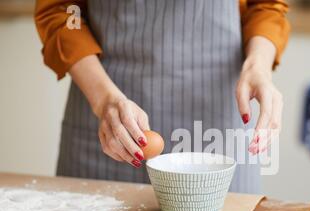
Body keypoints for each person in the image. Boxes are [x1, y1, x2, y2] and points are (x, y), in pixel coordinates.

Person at [35, 0, 290, 193]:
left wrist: (258, 67)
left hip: (217, 123)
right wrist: (104, 100)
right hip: (109, 117)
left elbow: (266, 6)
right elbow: (61, 11)